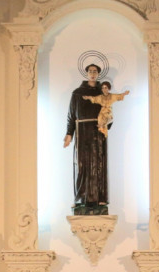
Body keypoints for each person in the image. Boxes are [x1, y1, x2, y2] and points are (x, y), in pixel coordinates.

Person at [63, 63, 110, 214]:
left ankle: (99, 199)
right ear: (86, 73)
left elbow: (109, 112)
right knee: (82, 164)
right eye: (90, 71)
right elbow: (71, 115)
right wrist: (69, 134)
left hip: (98, 132)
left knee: (98, 164)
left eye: (95, 71)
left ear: (98, 74)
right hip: (82, 132)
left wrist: (106, 123)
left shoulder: (103, 93)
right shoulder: (77, 93)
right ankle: (81, 199)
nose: (92, 73)